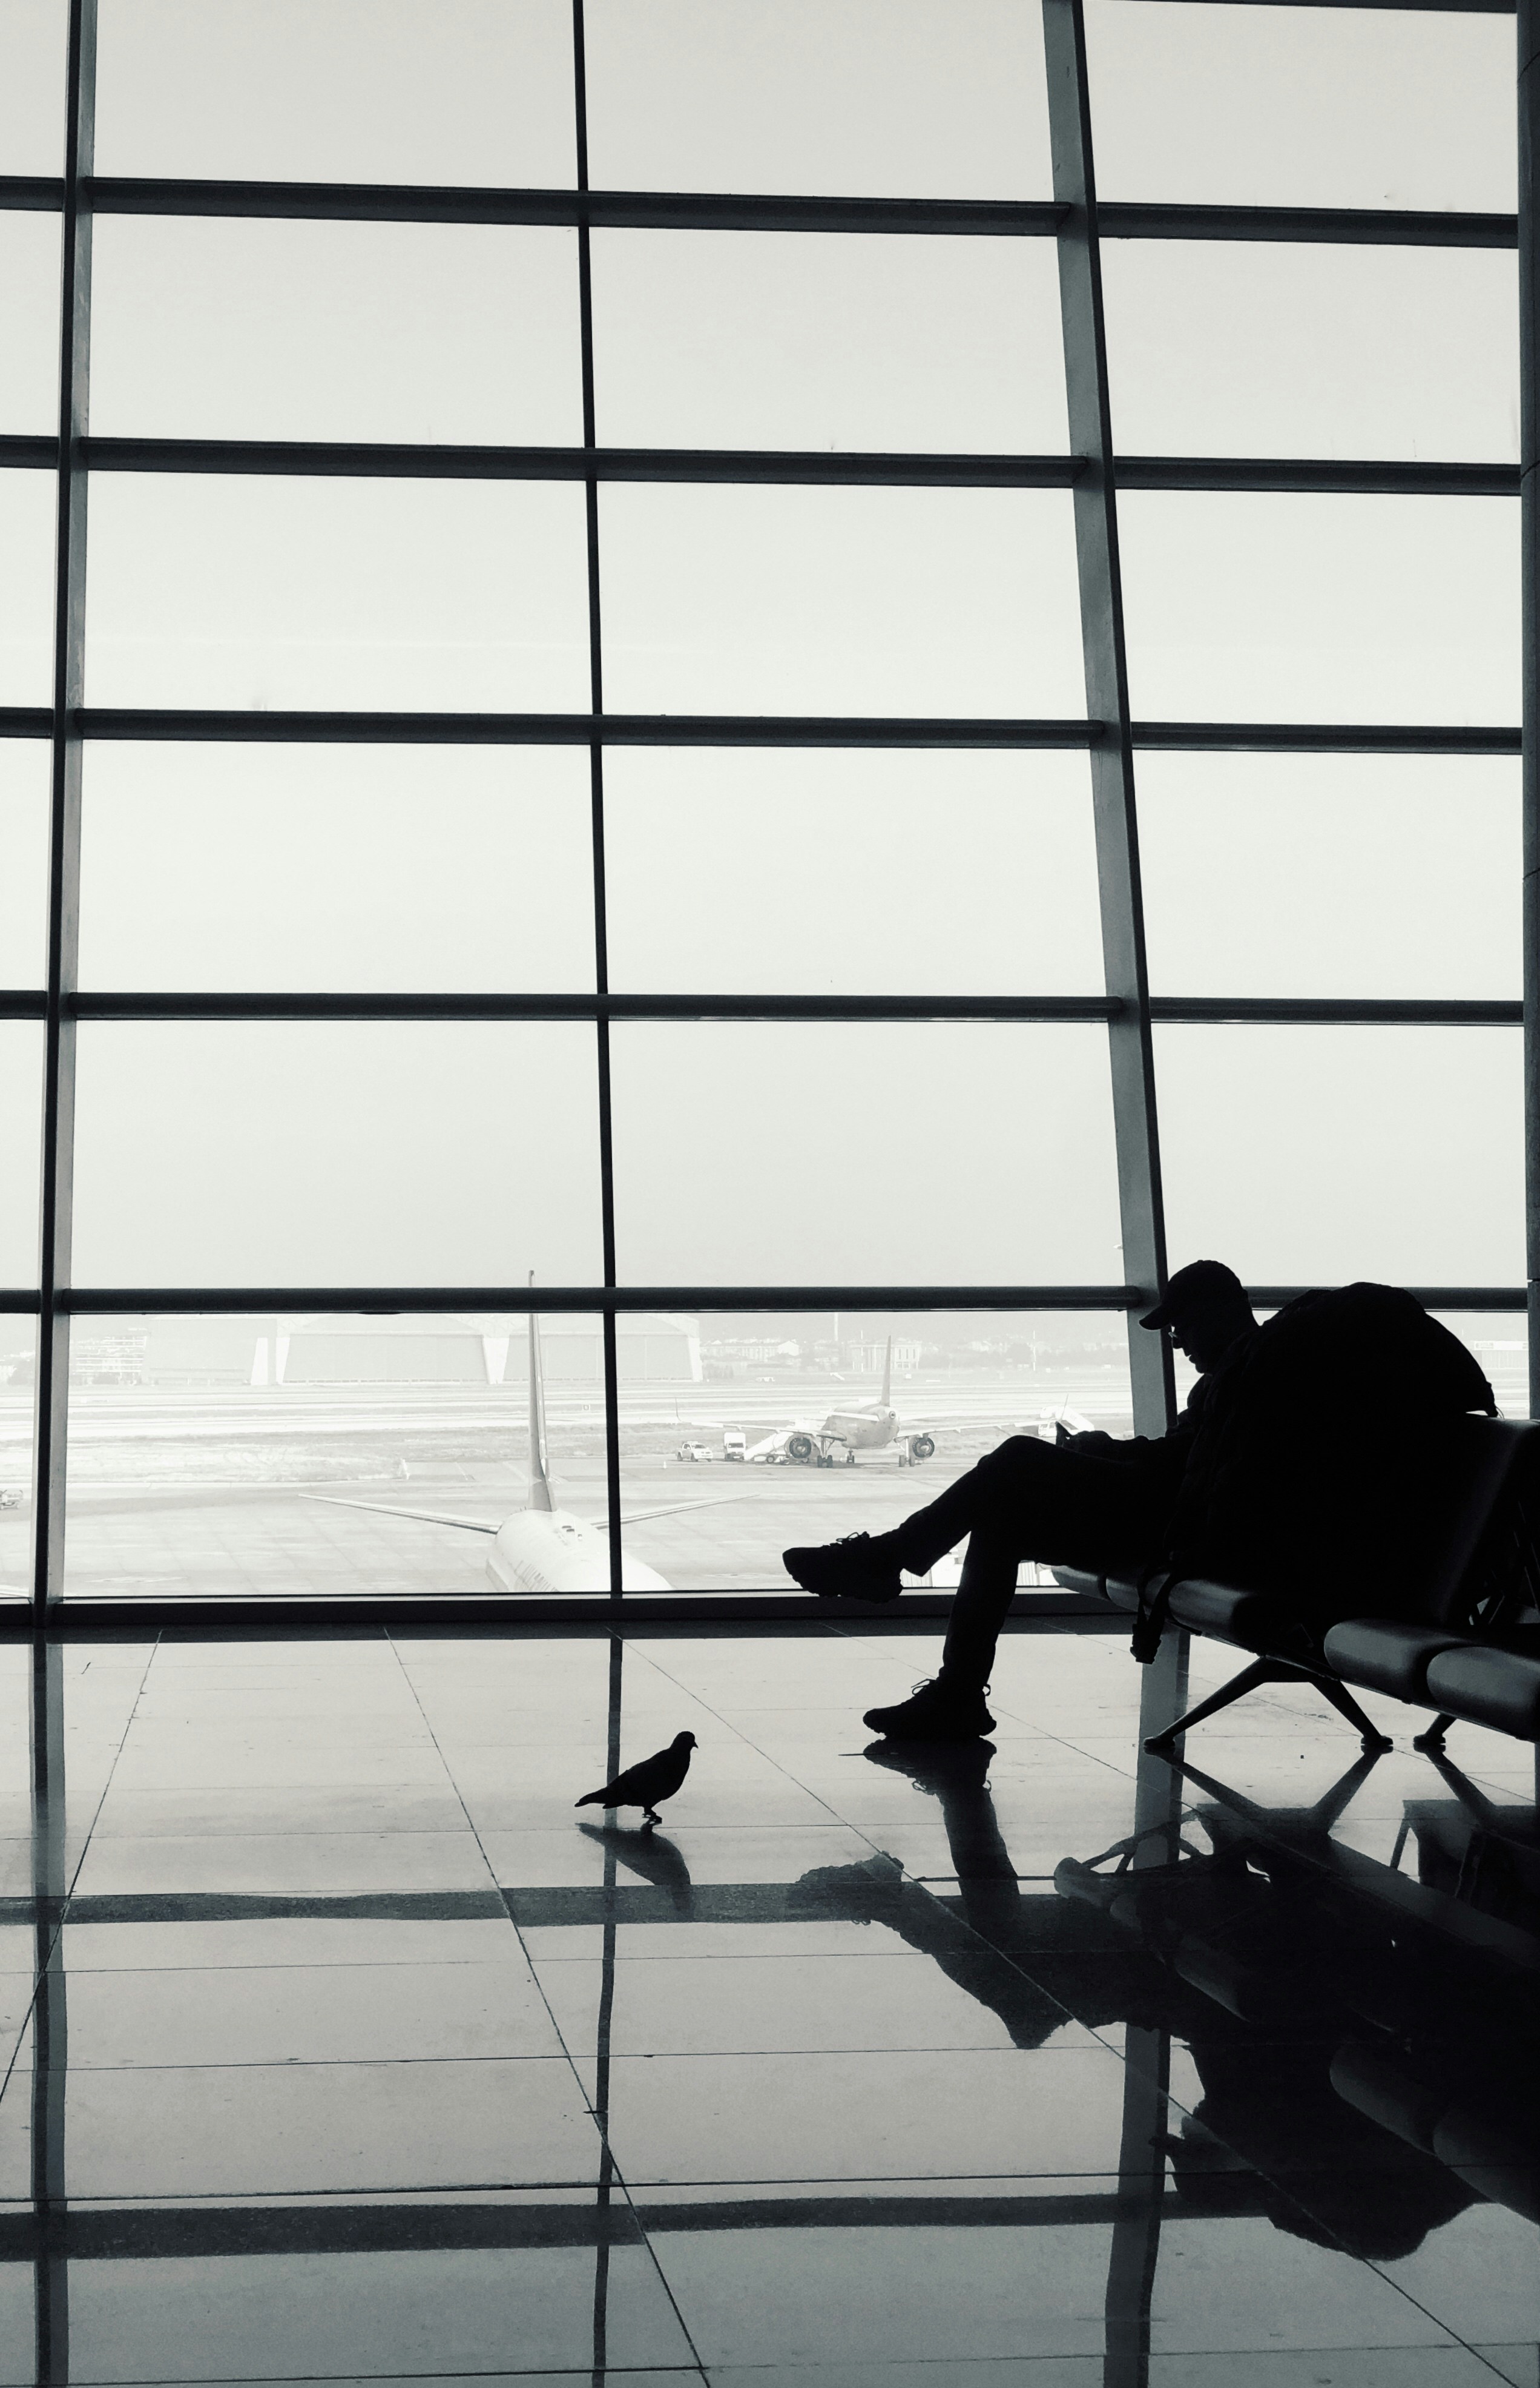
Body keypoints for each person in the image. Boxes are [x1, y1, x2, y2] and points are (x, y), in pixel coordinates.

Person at [783, 1261, 1494, 1742]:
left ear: (1223, 1312)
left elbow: (1197, 1474)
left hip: (1201, 1536)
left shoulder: (1254, 1384)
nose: (1178, 1339)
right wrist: (1107, 1449)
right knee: (1005, 1507)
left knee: (1017, 1462)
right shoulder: (1247, 1382)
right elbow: (1190, 1460)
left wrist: (1100, 1453)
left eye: (1183, 1323)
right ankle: (952, 1682)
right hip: (1192, 1519)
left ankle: (897, 1566)